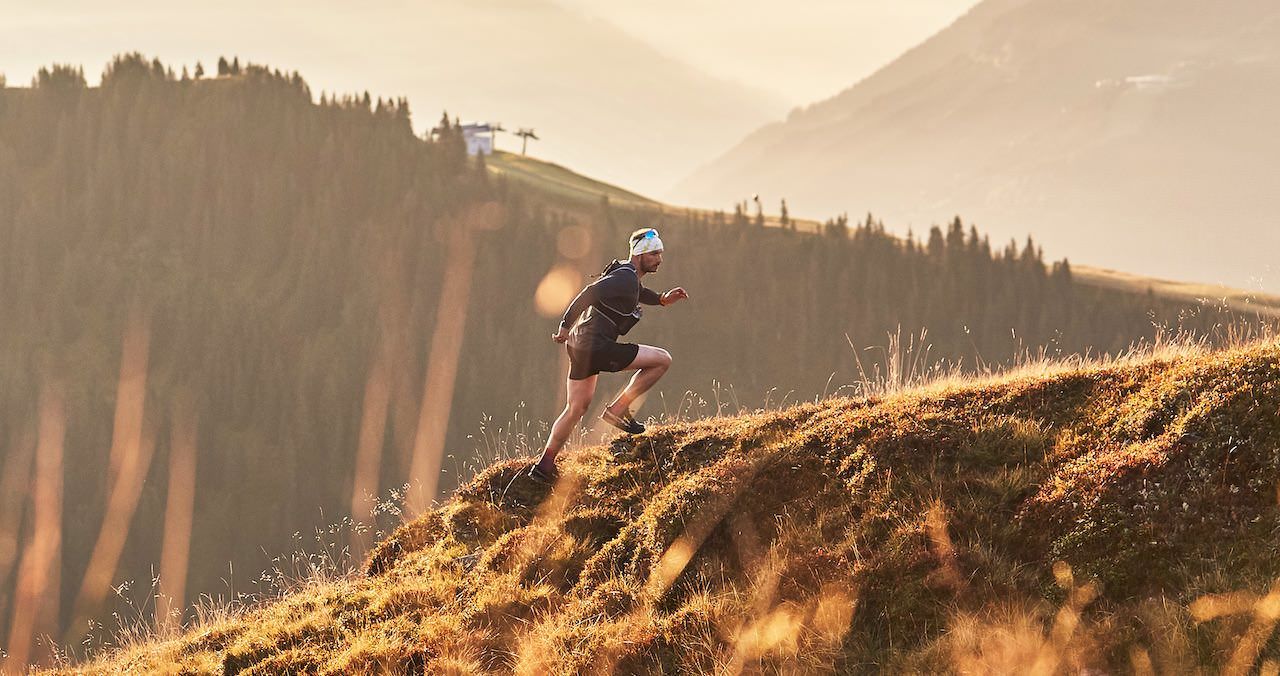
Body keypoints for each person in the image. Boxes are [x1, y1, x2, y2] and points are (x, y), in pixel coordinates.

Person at [529, 228, 688, 483]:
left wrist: (661, 299)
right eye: (655, 253)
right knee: (662, 360)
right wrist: (565, 324)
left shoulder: (626, 275)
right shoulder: (625, 278)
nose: (660, 259)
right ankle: (618, 409)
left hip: (581, 346)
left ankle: (543, 467)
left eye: (660, 253)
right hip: (596, 346)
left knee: (576, 408)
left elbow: (637, 291)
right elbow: (589, 293)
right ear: (640, 254)